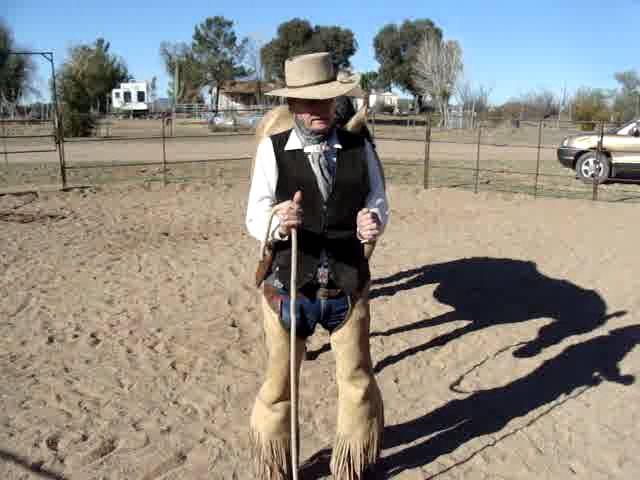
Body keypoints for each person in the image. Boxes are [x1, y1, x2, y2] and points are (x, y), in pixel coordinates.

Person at [246, 52, 389, 479]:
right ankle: (275, 468)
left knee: (358, 382)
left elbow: (378, 199)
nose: (316, 111)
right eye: (306, 104)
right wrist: (276, 222)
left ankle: (351, 465)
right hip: (288, 288)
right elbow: (254, 213)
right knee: (277, 388)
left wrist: (372, 221)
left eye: (324, 102)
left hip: (348, 283)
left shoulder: (360, 148)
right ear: (291, 106)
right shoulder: (273, 151)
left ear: (335, 102)